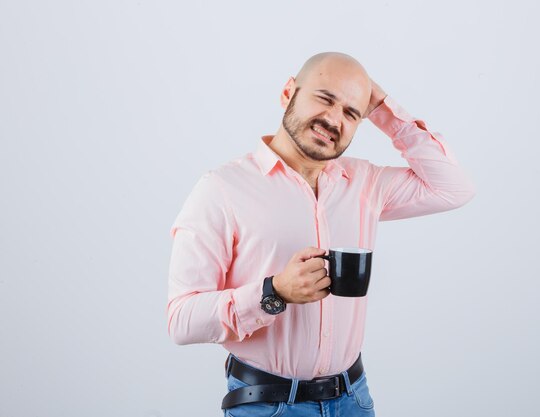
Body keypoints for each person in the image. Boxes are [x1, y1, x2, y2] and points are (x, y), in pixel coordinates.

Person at [167, 52, 475, 416]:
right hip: (267, 404)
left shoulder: (366, 183)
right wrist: (274, 292)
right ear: (288, 93)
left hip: (353, 400)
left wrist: (382, 108)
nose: (333, 120)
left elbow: (454, 188)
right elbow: (181, 320)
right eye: (325, 98)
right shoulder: (221, 190)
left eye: (351, 113)